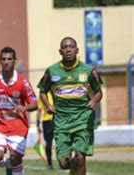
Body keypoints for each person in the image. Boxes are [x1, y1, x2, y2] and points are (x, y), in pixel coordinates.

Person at [38, 36, 103, 175]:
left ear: (77, 50)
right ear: (60, 51)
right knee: (64, 164)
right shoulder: (52, 71)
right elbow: (42, 92)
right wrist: (48, 105)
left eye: (71, 47)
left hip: (83, 119)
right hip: (61, 121)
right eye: (65, 47)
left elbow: (99, 92)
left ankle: (79, 162)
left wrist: (94, 101)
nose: (68, 49)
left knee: (80, 158)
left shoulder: (88, 70)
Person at [0, 46, 38, 175]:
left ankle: (15, 165)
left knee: (15, 159)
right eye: (4, 59)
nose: (6, 62)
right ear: (0, 61)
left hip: (18, 127)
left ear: (14, 61)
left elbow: (35, 104)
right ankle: (15, 166)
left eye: (9, 59)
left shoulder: (23, 82)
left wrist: (24, 107)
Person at [36, 90, 54, 170]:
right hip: (47, 122)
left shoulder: (56, 92)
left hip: (58, 120)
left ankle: (65, 163)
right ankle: (49, 164)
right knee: (48, 144)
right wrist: (37, 124)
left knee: (62, 141)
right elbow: (39, 110)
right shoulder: (43, 95)